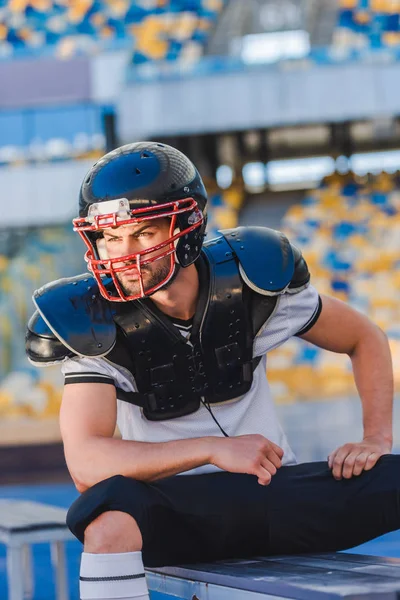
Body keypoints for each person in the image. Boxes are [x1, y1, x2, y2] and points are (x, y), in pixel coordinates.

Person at [26, 142, 399, 600]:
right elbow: (86, 462)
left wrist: (376, 438)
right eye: (110, 237)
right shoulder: (90, 319)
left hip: (273, 494)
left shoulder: (249, 281)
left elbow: (364, 338)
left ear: (185, 227)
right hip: (176, 512)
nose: (122, 253)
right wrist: (212, 450)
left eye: (141, 233)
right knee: (106, 513)